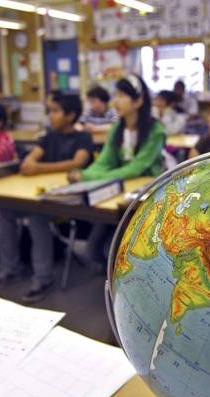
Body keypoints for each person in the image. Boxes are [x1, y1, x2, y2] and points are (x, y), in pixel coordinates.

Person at [0, 94, 94, 302]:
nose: (50, 116)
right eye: (49, 111)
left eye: (55, 111)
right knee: (5, 209)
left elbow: (78, 162)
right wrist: (30, 162)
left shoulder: (82, 137)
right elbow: (32, 157)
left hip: (67, 201)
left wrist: (39, 168)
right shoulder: (48, 137)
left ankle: (42, 277)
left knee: (37, 216)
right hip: (41, 194)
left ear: (71, 115)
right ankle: (10, 266)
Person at [68, 74, 166, 269]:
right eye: (116, 95)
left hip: (146, 196)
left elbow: (136, 168)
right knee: (93, 250)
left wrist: (87, 176)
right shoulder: (116, 129)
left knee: (111, 251)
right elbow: (104, 161)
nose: (115, 101)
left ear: (138, 101)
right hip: (118, 190)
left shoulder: (156, 130)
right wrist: (84, 175)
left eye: (122, 95)